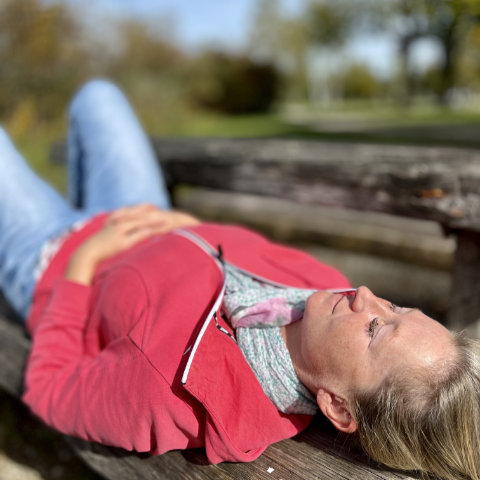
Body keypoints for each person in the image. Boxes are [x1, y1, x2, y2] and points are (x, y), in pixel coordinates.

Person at [0, 79, 478, 480]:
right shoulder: (322, 291)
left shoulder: (167, 394)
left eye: (376, 329)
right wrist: (187, 227)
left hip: (52, 258)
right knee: (97, 94)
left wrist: (83, 263)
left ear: (339, 408)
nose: (368, 297)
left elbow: (47, 387)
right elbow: (233, 250)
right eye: (396, 309)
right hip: (143, 216)